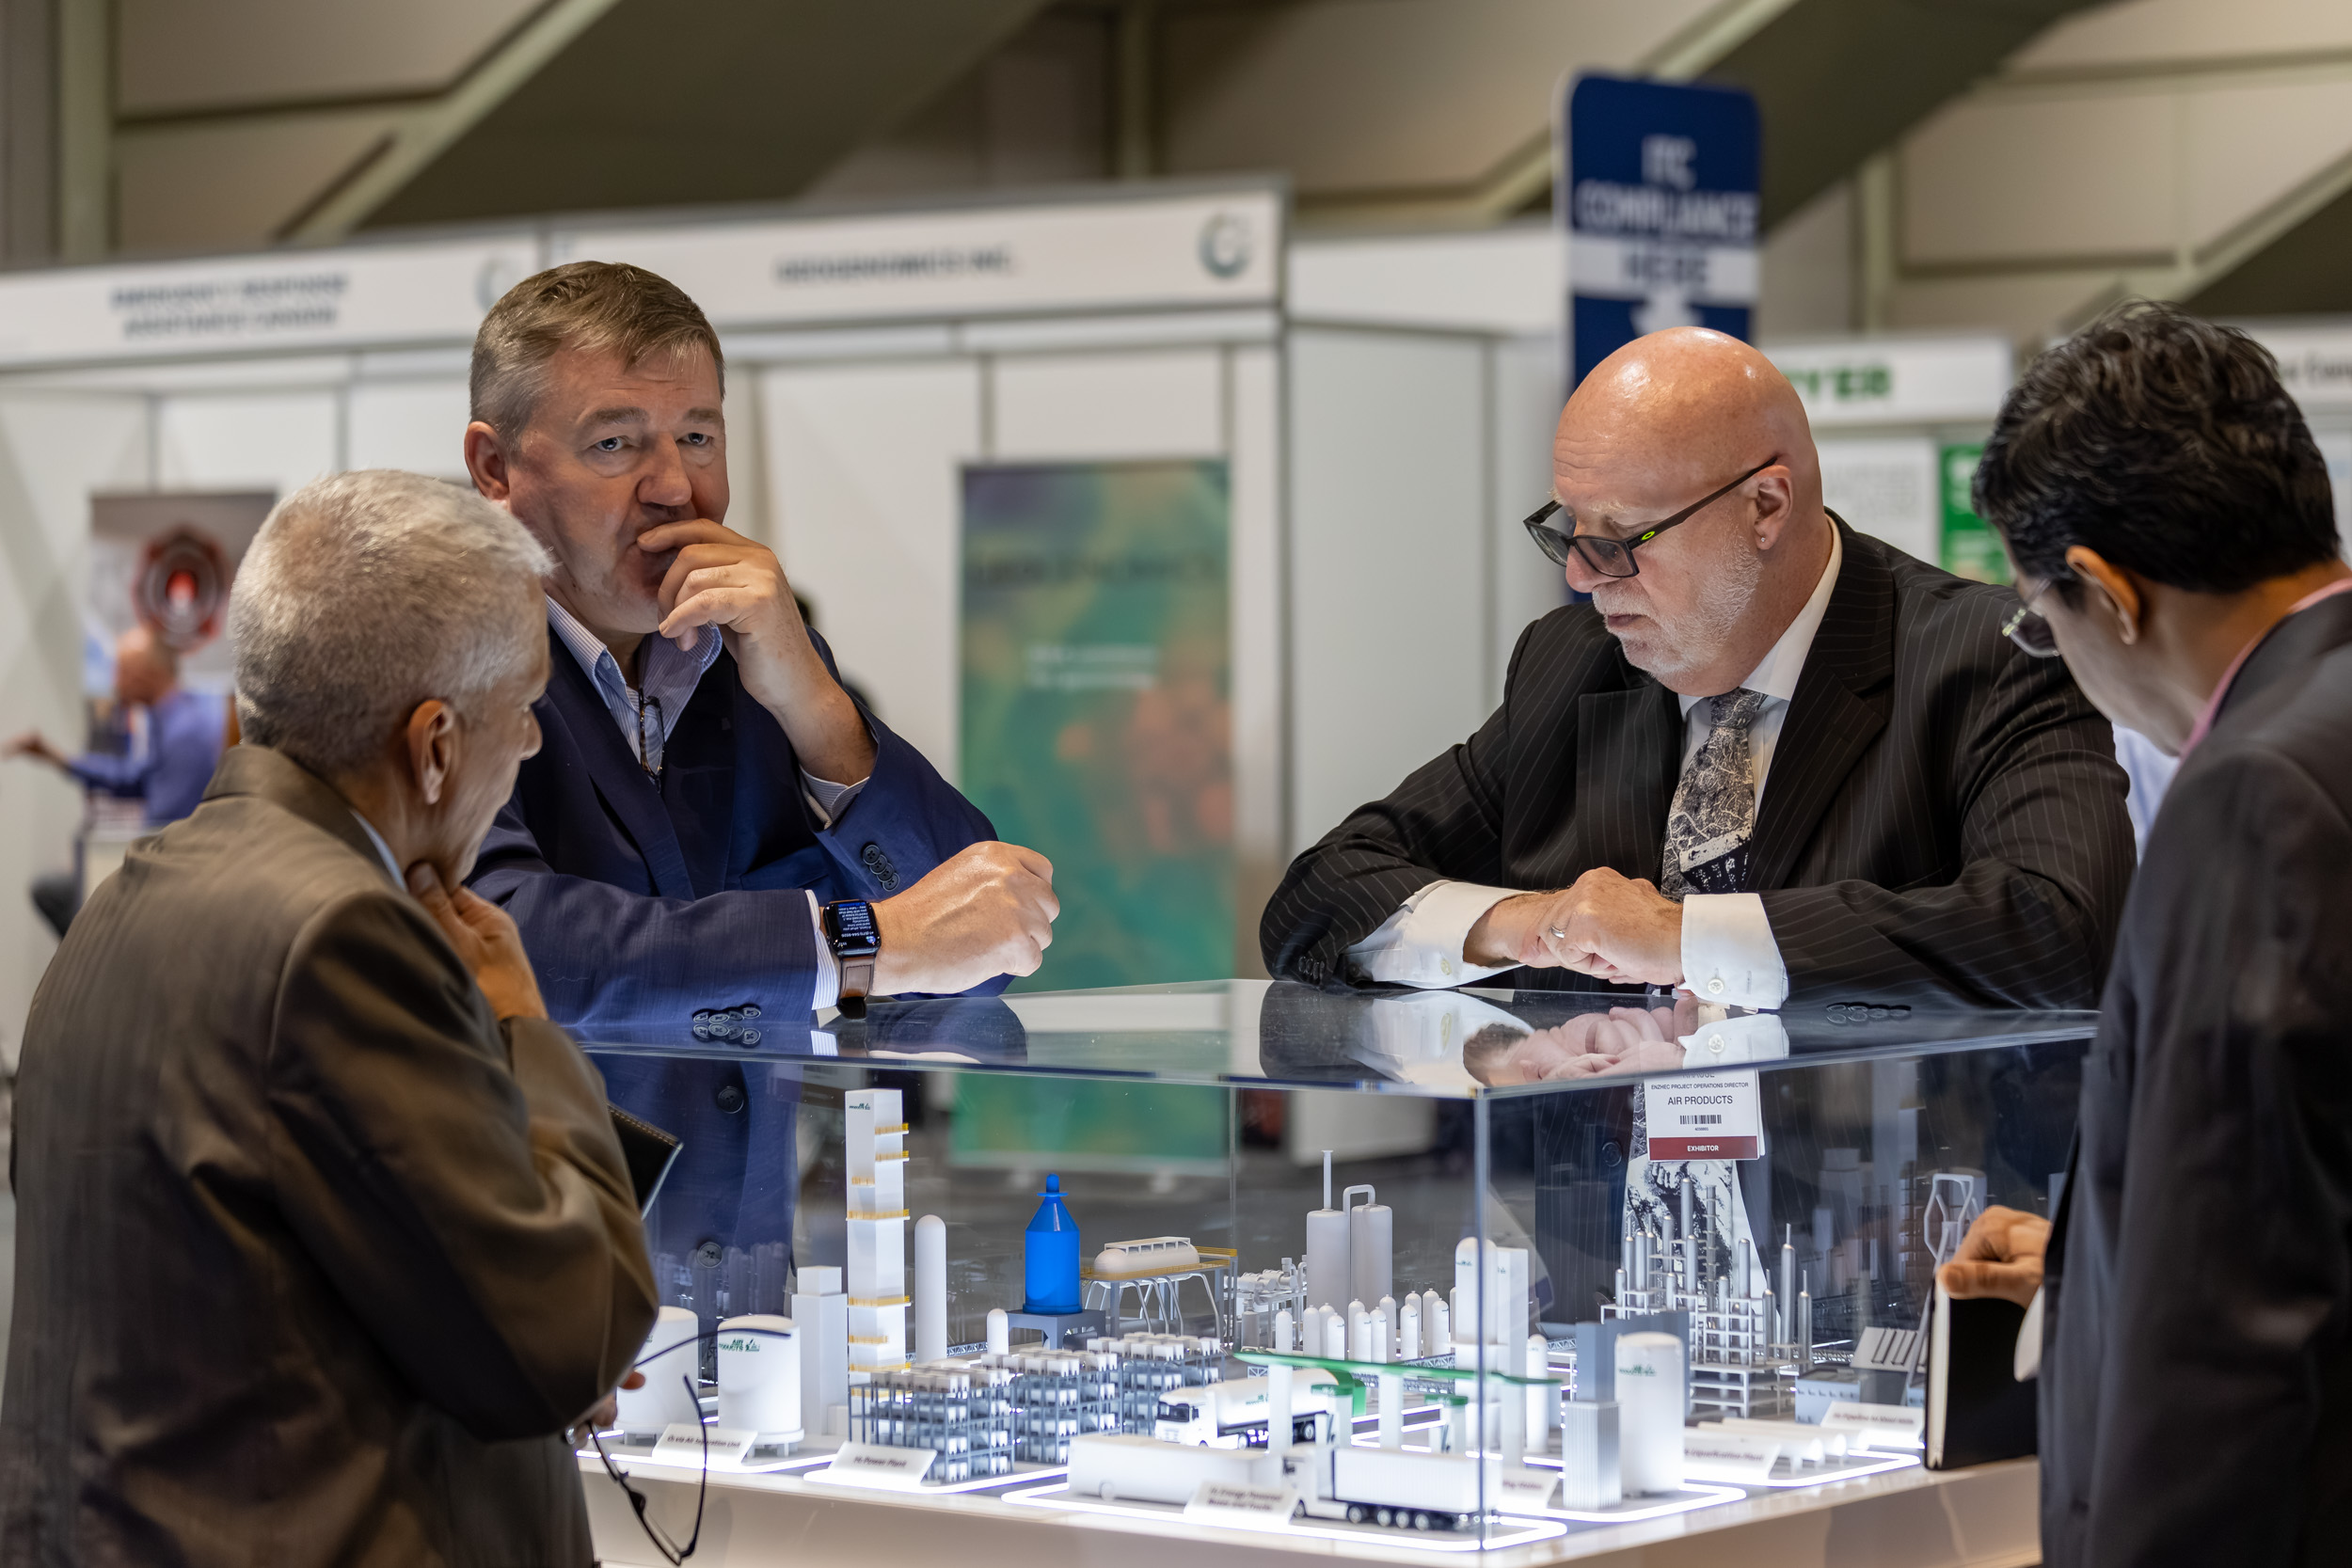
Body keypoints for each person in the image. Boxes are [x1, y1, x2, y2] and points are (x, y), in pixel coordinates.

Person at [0, 471, 659, 1566]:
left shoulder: (122, 902)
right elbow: (564, 1344)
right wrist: (522, 1026)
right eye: (525, 712)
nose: (533, 746)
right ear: (434, 746)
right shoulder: (344, 935)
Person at [1262, 325, 2136, 1012]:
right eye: (1569, 531)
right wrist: (1528, 923)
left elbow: (2061, 930)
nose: (1581, 577)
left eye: (1620, 537)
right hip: (1598, 1190)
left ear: (1766, 505)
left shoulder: (1989, 658)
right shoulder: (1574, 669)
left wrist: (1686, 938)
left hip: (1870, 1183)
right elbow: (1320, 892)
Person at [1937, 301, 2352, 1567]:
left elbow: (2228, 1316)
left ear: (2108, 591)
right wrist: (2098, 1256)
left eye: (2041, 617)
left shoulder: (2253, 793)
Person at [459, 261, 1057, 1035]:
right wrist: (866, 945)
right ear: (495, 468)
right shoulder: (439, 666)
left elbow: (992, 942)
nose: (675, 486)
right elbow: (502, 942)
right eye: (614, 442)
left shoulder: (758, 655)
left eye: (697, 437)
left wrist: (815, 703)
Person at [7, 623, 226, 936]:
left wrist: (99, 857)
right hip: (164, 869)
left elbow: (165, 826)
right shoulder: (170, 725)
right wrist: (58, 758)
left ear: (147, 674)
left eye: (121, 671)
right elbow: (131, 779)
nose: (114, 683)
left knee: (55, 894)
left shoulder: (184, 735)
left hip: (171, 883)